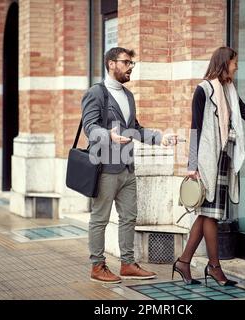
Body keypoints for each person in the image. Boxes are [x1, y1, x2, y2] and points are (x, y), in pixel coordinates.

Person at [172, 47, 245, 286]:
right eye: (234, 63)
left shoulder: (229, 90)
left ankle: (184, 262)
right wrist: (192, 165)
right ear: (224, 63)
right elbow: (195, 128)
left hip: (225, 158)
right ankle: (214, 267)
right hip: (208, 161)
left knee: (208, 214)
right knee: (211, 215)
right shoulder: (203, 89)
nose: (237, 67)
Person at [81, 47, 178, 284]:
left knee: (129, 217)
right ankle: (97, 265)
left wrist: (160, 138)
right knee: (100, 218)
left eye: (132, 63)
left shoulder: (128, 96)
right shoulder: (96, 93)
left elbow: (136, 128)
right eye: (126, 62)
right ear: (111, 64)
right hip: (104, 167)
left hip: (127, 167)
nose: (130, 67)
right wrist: (108, 136)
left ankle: (127, 264)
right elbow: (89, 126)